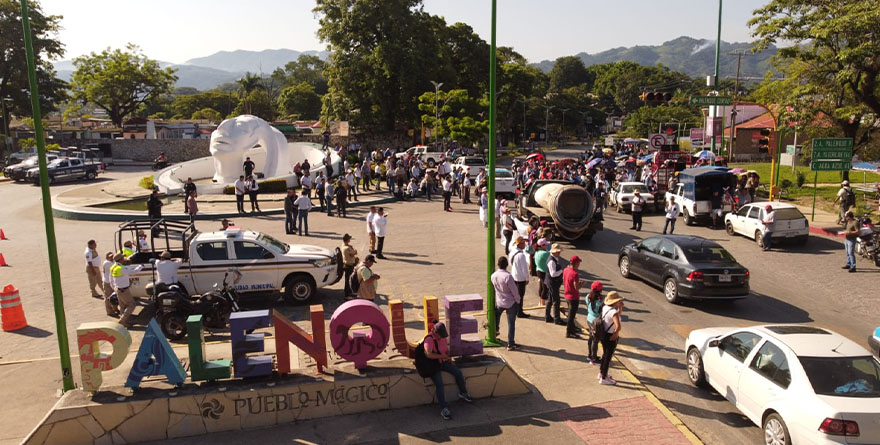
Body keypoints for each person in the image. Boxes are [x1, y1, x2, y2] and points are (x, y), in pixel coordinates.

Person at [422, 321, 473, 420]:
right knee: (439, 384)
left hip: (443, 361)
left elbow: (445, 349)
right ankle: (443, 408)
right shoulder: (429, 340)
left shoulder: (442, 338)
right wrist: (441, 356)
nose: (442, 337)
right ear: (435, 332)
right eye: (441, 335)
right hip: (433, 365)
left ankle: (463, 393)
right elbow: (428, 354)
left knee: (457, 372)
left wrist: (447, 356)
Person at [490, 256, 521, 350]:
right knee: (511, 323)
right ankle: (510, 343)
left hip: (499, 301)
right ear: (507, 265)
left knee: (496, 317)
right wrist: (518, 300)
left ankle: (495, 331)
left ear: (498, 264)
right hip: (510, 302)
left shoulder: (493, 275)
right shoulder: (508, 276)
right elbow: (514, 291)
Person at [111, 253, 142, 328]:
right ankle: (122, 320)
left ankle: (124, 322)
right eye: (123, 258)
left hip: (118, 288)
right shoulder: (122, 268)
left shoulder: (113, 267)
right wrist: (141, 266)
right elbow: (134, 272)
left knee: (122, 306)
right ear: (120, 260)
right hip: (124, 290)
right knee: (132, 305)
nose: (124, 259)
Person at [598, 291, 624, 385]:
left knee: (605, 355)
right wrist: (615, 335)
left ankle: (601, 373)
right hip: (610, 336)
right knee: (608, 357)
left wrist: (620, 308)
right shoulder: (613, 312)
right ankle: (604, 378)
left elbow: (615, 317)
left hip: (604, 334)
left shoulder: (605, 308)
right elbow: (618, 326)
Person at [563, 257, 586, 338]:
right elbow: (576, 288)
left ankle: (573, 328)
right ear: (576, 263)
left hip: (567, 295)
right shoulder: (575, 274)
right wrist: (582, 284)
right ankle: (569, 332)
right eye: (578, 263)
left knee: (570, 313)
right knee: (571, 316)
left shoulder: (566, 270)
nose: (579, 264)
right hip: (573, 297)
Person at [508, 236, 530, 318]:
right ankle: (519, 312)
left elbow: (510, 263)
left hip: (514, 275)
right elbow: (524, 269)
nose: (525, 245)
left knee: (515, 295)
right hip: (521, 278)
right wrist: (527, 278)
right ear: (520, 244)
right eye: (523, 243)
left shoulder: (513, 252)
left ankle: (515, 310)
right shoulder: (521, 255)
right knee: (520, 296)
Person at [544, 243, 565, 325]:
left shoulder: (553, 259)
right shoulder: (552, 261)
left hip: (551, 282)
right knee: (556, 301)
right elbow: (553, 274)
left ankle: (548, 316)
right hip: (553, 283)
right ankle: (557, 318)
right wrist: (561, 271)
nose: (559, 253)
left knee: (550, 300)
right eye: (558, 252)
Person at [585, 283, 604, 365]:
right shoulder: (599, 303)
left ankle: (590, 355)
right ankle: (594, 358)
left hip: (589, 319)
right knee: (595, 340)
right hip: (595, 322)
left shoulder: (587, 297)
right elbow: (601, 313)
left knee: (590, 337)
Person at [101, 252, 119, 317]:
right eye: (110, 256)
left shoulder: (112, 261)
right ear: (107, 257)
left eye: (112, 256)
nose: (112, 257)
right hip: (107, 283)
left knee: (114, 297)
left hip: (112, 282)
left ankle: (115, 308)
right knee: (108, 297)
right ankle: (110, 311)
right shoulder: (107, 263)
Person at [341, 234, 359, 298]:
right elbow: (354, 253)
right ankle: (346, 294)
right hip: (348, 265)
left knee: (348, 280)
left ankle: (349, 292)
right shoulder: (347, 248)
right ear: (347, 240)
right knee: (348, 281)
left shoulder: (344, 245)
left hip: (348, 265)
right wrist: (354, 251)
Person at [533, 239, 550, 305]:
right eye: (546, 245)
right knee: (545, 288)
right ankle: (543, 302)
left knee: (541, 286)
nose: (547, 246)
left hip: (539, 270)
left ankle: (540, 301)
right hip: (544, 272)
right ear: (542, 245)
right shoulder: (545, 253)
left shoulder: (537, 252)